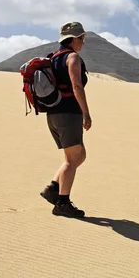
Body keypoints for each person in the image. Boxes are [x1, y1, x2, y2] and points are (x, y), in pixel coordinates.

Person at [40, 21, 92, 218]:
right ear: (73, 39)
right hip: (69, 113)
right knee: (72, 159)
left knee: (79, 155)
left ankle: (53, 187)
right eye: (81, 39)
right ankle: (62, 203)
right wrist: (86, 113)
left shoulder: (53, 58)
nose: (83, 43)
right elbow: (77, 86)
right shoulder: (72, 58)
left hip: (53, 114)